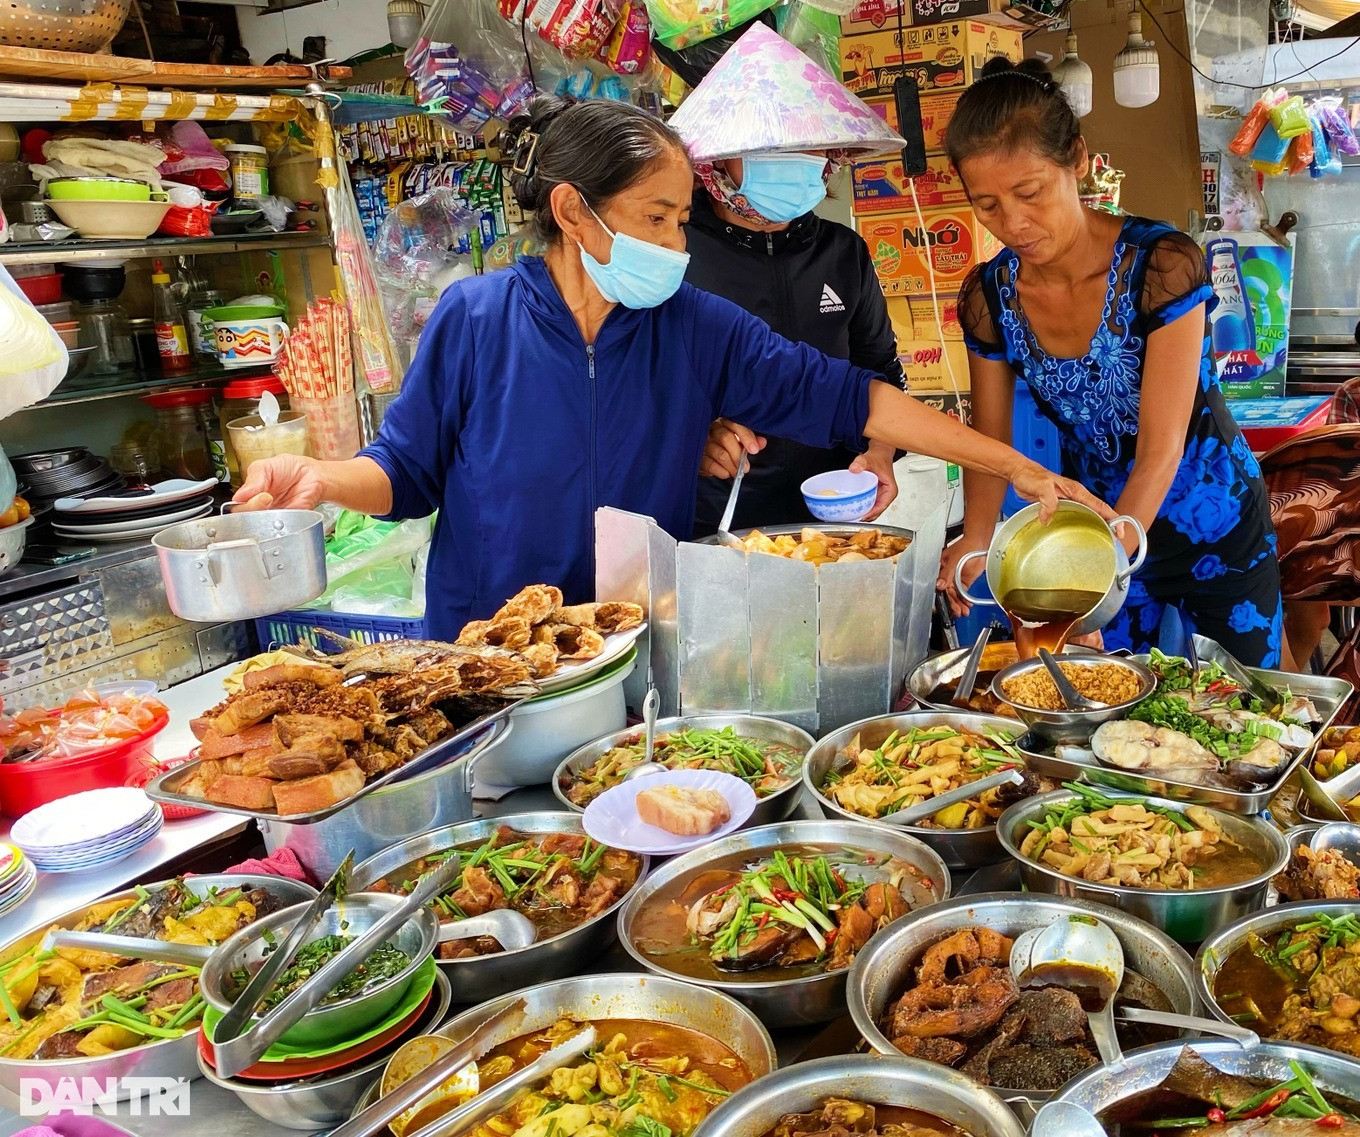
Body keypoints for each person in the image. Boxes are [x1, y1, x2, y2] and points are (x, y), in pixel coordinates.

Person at [235, 94, 1105, 641]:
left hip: (630, 643)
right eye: (655, 217)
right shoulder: (475, 319)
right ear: (574, 212)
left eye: (682, 219)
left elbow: (855, 396)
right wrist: (319, 476)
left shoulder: (692, 325)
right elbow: (404, 473)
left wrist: (1015, 467)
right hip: (487, 657)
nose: (675, 245)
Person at [936, 58, 1283, 666]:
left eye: (1029, 193)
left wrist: (1113, 554)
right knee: (1112, 722)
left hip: (1212, 519)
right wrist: (978, 536)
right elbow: (990, 439)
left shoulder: (1161, 267)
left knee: (1247, 711)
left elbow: (1163, 444)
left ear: (1076, 159)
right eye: (986, 204)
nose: (1013, 223)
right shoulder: (989, 297)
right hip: (1086, 526)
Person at [669, 23, 907, 532]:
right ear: (712, 163)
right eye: (767, 150)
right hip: (714, 526)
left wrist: (882, 450)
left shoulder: (844, 253)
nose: (795, 165)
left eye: (807, 148)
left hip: (837, 522)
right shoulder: (674, 252)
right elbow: (635, 390)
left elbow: (881, 372)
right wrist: (693, 437)